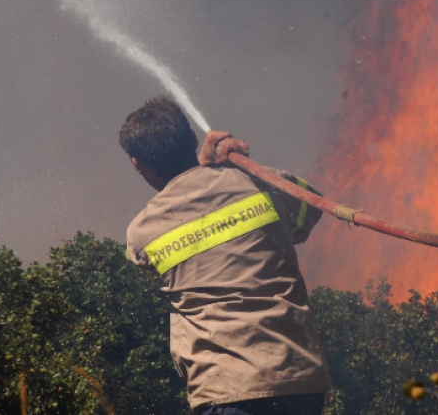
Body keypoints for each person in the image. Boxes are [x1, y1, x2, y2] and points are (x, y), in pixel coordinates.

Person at [120, 96, 331, 415]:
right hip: (298, 380)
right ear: (192, 139)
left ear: (137, 163)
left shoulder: (143, 233)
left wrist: (205, 172)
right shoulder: (259, 184)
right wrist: (229, 171)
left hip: (226, 390)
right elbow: (312, 205)